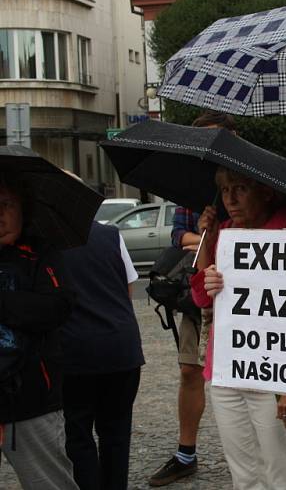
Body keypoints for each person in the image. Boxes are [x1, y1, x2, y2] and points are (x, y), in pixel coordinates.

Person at [192, 167, 286, 490]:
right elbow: (202, 297)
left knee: (280, 469)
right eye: (226, 190)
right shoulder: (224, 232)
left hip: (273, 369)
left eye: (240, 189)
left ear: (265, 192)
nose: (230, 198)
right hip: (226, 369)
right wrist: (208, 245)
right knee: (243, 473)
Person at [149, 110, 237, 487]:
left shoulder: (248, 180)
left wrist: (220, 236)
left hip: (245, 292)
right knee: (189, 369)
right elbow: (178, 235)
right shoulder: (192, 187)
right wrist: (206, 237)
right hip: (200, 287)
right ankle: (187, 452)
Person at [0, 172, 79, 490]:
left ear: (23, 209)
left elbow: (56, 308)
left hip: (29, 400)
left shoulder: (40, 253)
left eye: (5, 205)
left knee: (48, 483)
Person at [60, 219, 144, 490]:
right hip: (121, 346)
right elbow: (128, 289)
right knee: (116, 435)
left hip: (74, 351)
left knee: (77, 435)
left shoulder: (44, 239)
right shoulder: (109, 234)